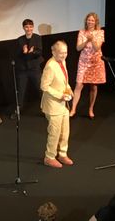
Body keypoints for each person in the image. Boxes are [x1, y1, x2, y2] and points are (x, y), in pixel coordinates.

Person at [40, 40, 73, 168]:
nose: (64, 55)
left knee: (65, 131)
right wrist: (60, 95)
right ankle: (49, 157)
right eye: (61, 53)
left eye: (65, 53)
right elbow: (44, 86)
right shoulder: (50, 66)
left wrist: (68, 89)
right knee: (54, 132)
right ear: (53, 52)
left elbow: (64, 80)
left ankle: (62, 154)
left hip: (63, 104)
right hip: (53, 105)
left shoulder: (62, 61)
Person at [70, 12, 105, 119]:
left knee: (93, 86)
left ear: (96, 22)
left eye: (92, 20)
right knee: (78, 85)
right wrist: (86, 41)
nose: (90, 22)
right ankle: (73, 109)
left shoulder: (100, 32)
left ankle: (90, 109)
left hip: (95, 62)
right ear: (86, 21)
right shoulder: (81, 32)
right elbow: (78, 48)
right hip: (84, 62)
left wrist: (92, 39)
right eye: (89, 20)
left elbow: (97, 48)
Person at [12, 18, 43, 117]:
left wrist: (32, 52)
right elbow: (16, 54)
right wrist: (23, 51)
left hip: (34, 68)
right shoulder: (20, 40)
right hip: (23, 70)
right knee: (20, 90)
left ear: (33, 27)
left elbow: (39, 52)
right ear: (23, 28)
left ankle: (46, 109)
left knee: (40, 89)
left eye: (30, 26)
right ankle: (18, 111)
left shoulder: (37, 38)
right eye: (26, 27)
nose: (28, 29)